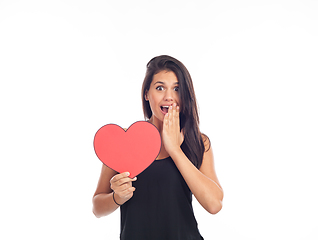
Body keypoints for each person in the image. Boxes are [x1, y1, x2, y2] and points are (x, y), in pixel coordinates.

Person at [92, 55, 224, 240]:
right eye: (160, 88)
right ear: (147, 94)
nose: (169, 96)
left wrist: (175, 150)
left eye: (176, 89)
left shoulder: (198, 142)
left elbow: (214, 205)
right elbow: (97, 208)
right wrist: (116, 198)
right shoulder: (123, 142)